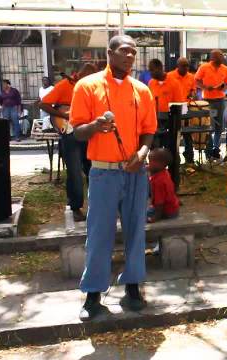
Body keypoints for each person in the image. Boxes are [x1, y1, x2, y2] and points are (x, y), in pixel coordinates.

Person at [70, 35, 157, 321]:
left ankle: (132, 287)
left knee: (136, 230)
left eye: (134, 52)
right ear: (109, 53)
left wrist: (143, 153)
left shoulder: (142, 90)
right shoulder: (87, 85)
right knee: (99, 233)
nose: (130, 56)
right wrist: (95, 125)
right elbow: (77, 131)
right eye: (124, 51)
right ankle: (93, 294)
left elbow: (149, 130)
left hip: (135, 171)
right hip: (103, 171)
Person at [40, 64, 98, 222]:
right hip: (70, 134)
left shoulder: (94, 87)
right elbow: (43, 104)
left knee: (93, 171)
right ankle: (75, 207)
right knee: (74, 173)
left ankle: (97, 205)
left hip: (88, 132)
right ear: (80, 75)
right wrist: (63, 115)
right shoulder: (65, 85)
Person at [195, 50, 227, 160]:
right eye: (220, 56)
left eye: (222, 56)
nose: (222, 58)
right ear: (213, 57)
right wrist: (206, 88)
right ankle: (209, 149)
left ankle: (216, 148)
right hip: (208, 102)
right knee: (209, 126)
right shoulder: (204, 67)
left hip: (221, 101)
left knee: (219, 126)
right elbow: (196, 81)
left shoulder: (225, 69)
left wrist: (224, 89)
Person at [168, 57, 198, 163]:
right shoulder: (170, 76)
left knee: (187, 133)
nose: (186, 68)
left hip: (185, 106)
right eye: (183, 66)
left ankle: (189, 156)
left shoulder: (191, 77)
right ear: (178, 66)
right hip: (173, 107)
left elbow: (193, 90)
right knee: (174, 133)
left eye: (187, 66)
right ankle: (175, 158)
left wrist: (192, 94)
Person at [147, 148, 180, 223]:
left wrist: (155, 217)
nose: (148, 164)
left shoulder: (159, 181)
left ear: (161, 164)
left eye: (150, 162)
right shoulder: (164, 172)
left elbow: (160, 203)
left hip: (167, 211)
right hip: (172, 208)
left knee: (139, 217)